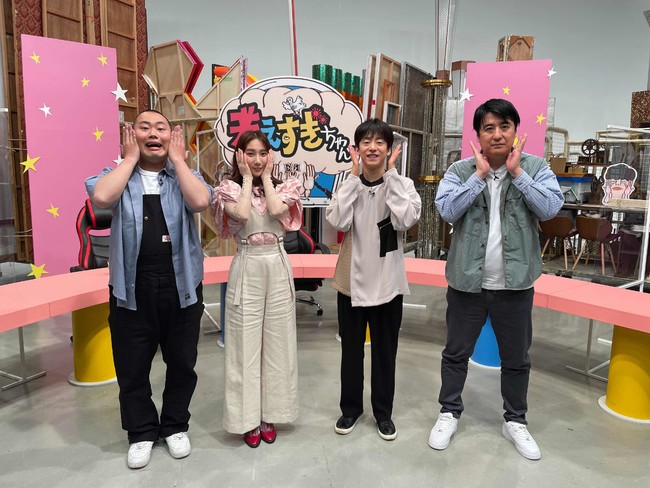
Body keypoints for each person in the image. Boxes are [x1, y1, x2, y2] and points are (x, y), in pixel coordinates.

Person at [429, 99, 563, 460]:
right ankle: (449, 412)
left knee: (516, 358)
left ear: (515, 131)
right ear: (478, 134)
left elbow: (550, 208)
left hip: (515, 286)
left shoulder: (535, 168)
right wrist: (478, 176)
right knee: (455, 354)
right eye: (488, 128)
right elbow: (447, 210)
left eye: (504, 126)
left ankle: (515, 420)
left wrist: (518, 174)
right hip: (466, 283)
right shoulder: (460, 170)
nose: (497, 134)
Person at [85, 110, 212, 469]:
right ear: (131, 135)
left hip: (181, 283)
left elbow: (200, 202)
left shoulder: (183, 176)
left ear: (172, 137)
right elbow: (101, 197)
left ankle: (175, 425)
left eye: (161, 128)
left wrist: (179, 161)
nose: (153, 133)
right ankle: (141, 431)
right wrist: (128, 160)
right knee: (132, 365)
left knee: (182, 362)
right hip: (131, 287)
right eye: (144, 128)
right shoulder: (118, 176)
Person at [326, 118, 421, 441]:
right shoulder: (349, 183)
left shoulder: (403, 184)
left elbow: (405, 219)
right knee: (351, 352)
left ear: (389, 149)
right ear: (356, 149)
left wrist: (391, 176)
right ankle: (351, 409)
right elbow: (337, 219)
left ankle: (383, 413)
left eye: (379, 142)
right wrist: (353, 179)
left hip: (388, 284)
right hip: (351, 284)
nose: (372, 147)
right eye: (365, 142)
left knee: (385, 353)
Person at [212, 130, 303, 448]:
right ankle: (246, 420)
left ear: (271, 156)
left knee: (279, 342)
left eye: (263, 153)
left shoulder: (286, 187)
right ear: (239, 156)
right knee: (243, 344)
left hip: (276, 263)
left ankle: (270, 415)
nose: (257, 159)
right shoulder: (228, 188)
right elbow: (240, 214)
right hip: (247, 262)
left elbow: (277, 211)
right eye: (250, 153)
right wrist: (248, 179)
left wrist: (265, 178)